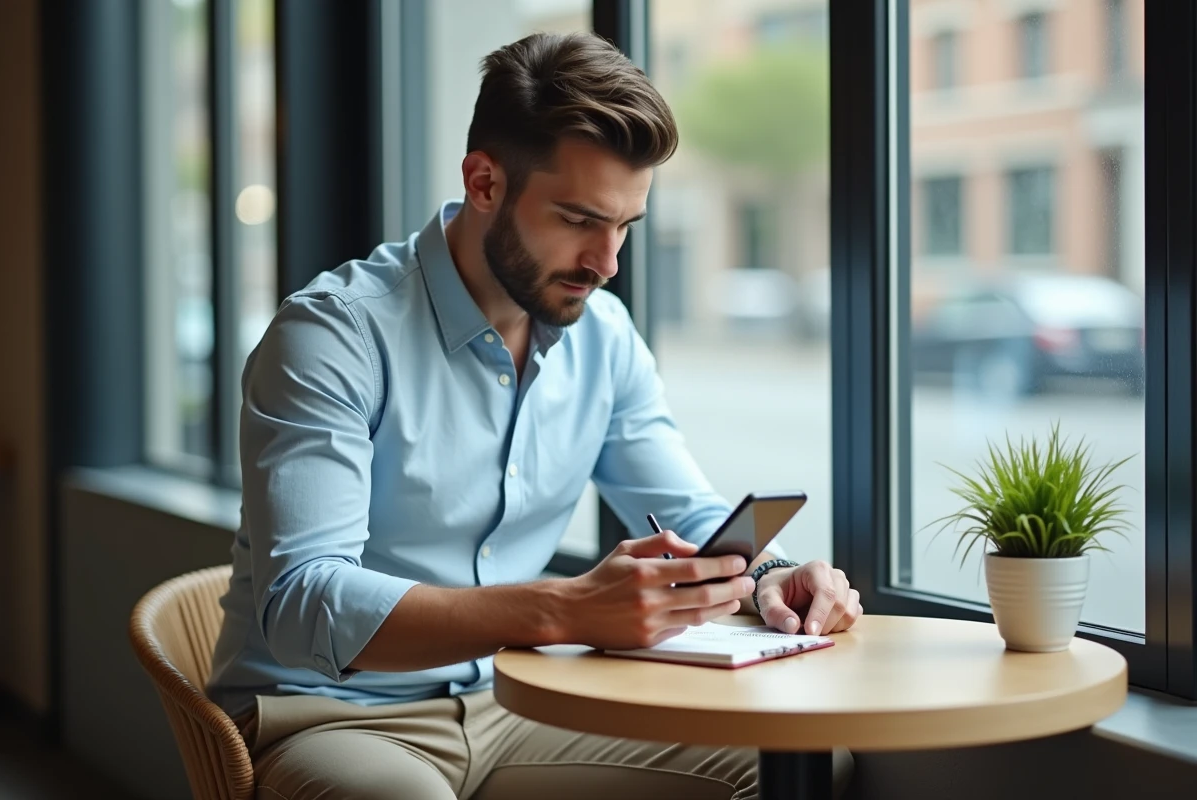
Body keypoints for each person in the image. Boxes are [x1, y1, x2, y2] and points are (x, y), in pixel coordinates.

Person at [206, 30, 862, 800]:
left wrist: (770, 580)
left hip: (518, 701)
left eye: (625, 226)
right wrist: (566, 609)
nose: (608, 262)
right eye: (580, 219)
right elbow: (302, 603)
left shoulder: (605, 338)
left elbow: (693, 517)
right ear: (484, 182)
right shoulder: (331, 336)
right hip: (331, 715)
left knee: (796, 766)